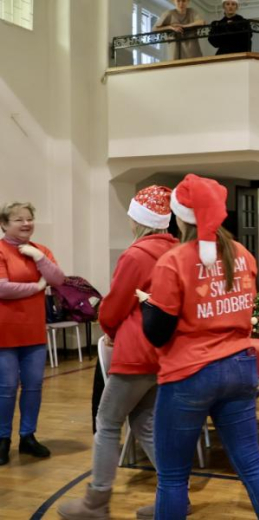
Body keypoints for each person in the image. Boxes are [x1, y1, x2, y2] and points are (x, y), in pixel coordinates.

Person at [141, 174, 259, 519]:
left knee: (173, 477)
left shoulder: (173, 261)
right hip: (240, 367)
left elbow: (158, 333)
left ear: (180, 216)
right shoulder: (242, 254)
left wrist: (148, 304)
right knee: (252, 464)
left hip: (189, 373)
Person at [58, 187, 178, 519]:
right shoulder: (177, 251)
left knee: (108, 421)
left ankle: (95, 502)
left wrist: (110, 331)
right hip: (163, 352)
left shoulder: (137, 255)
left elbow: (114, 306)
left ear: (138, 219)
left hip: (136, 352)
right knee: (145, 424)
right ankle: (175, 497)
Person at [0, 202, 64, 466]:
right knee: (6, 389)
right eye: (18, 219)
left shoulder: (40, 250)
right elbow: (2, 288)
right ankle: (3, 439)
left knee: (34, 385)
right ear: (4, 224)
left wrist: (39, 258)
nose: (26, 223)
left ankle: (28, 436)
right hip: (4, 331)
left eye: (29, 219)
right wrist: (37, 286)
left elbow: (58, 279)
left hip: (34, 330)